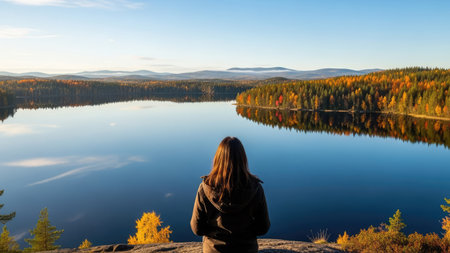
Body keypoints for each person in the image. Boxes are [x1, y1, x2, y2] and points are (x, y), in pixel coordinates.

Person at [190, 136, 270, 253]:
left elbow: (197, 229)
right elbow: (263, 228)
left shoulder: (205, 188)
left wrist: (214, 232)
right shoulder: (255, 188)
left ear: (218, 158)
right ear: (243, 159)